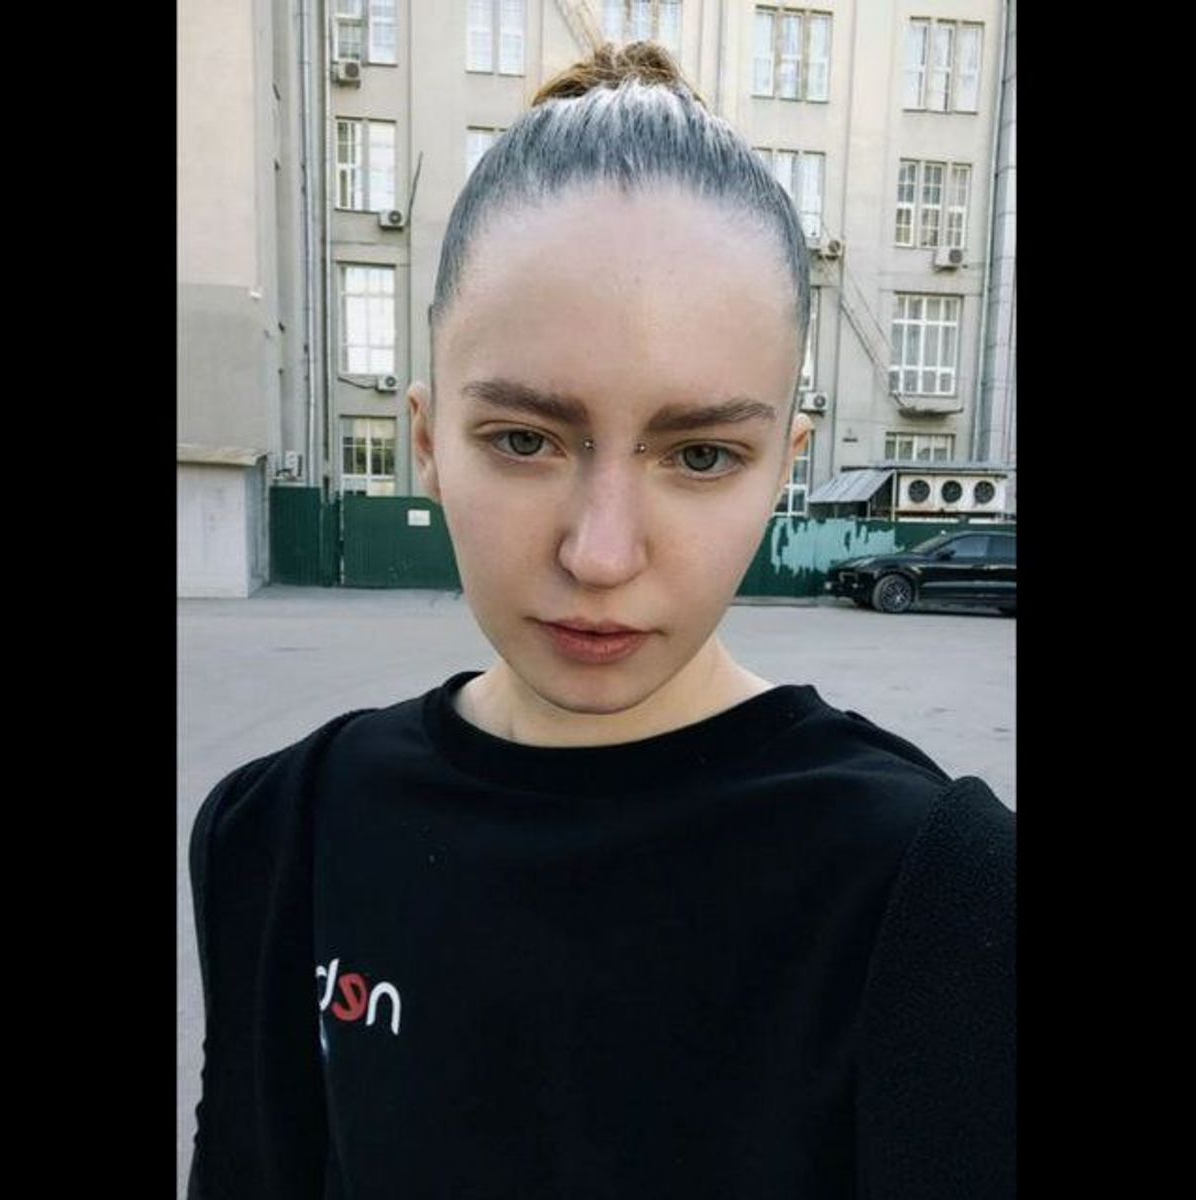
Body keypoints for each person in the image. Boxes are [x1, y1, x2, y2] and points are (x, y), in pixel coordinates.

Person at [187, 43, 1015, 1200]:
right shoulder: (281, 834)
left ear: (784, 466)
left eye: (701, 455)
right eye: (524, 440)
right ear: (427, 441)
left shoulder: (936, 896)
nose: (602, 554)